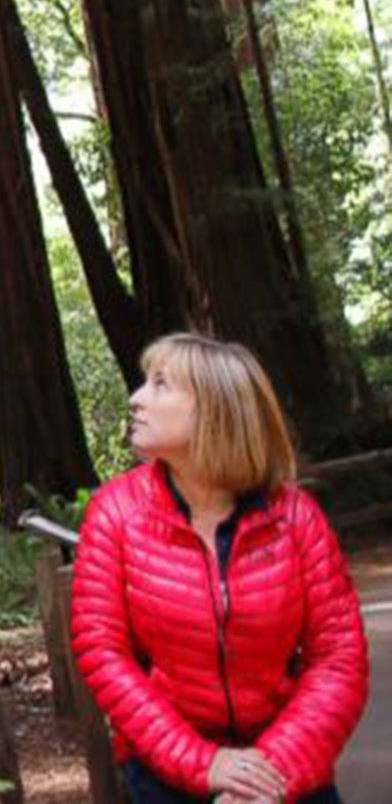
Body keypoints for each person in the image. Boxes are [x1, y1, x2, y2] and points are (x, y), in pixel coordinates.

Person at [70, 333, 368, 802]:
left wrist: (268, 773)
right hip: (167, 763)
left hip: (287, 760)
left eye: (160, 384)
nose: (136, 398)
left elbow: (338, 658)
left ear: (215, 410)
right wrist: (204, 765)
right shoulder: (115, 513)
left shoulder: (295, 518)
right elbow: (102, 651)